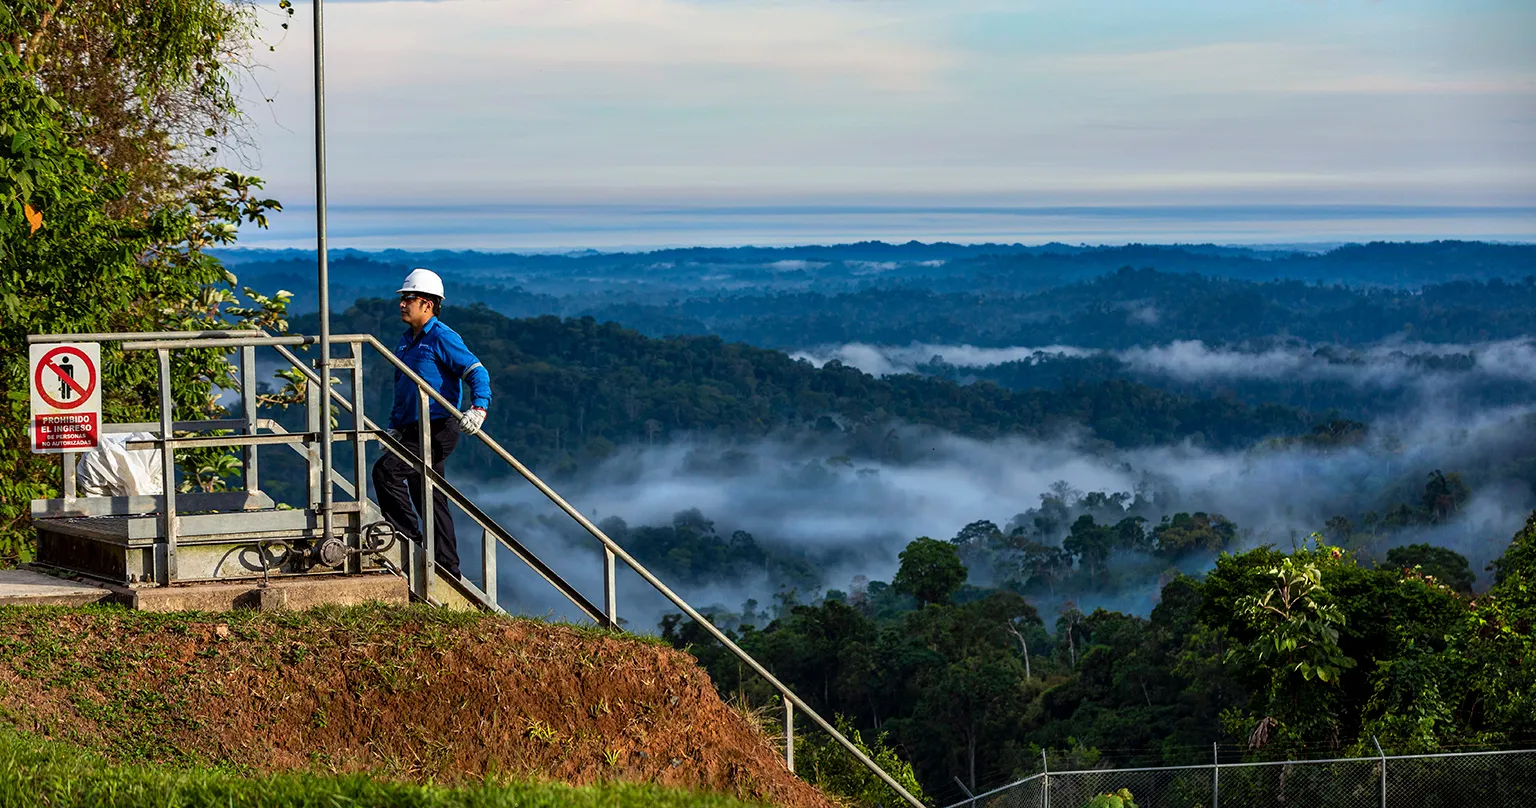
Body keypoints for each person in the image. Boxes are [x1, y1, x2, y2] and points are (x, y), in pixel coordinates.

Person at [370, 268, 491, 578]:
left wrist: (478, 408)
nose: (401, 304)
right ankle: (447, 566)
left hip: (438, 427)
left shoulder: (442, 336)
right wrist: (396, 424)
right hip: (413, 428)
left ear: (428, 304)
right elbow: (405, 387)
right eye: (402, 298)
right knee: (429, 494)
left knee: (386, 471)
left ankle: (410, 540)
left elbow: (477, 371)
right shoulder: (405, 342)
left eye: (408, 298)